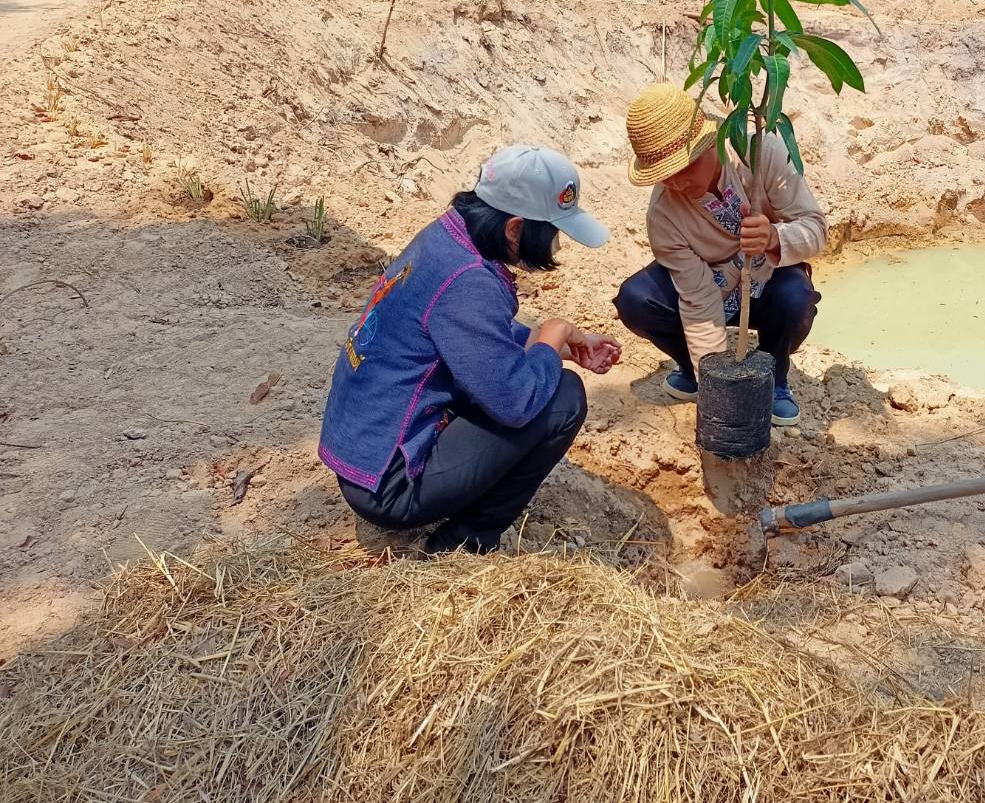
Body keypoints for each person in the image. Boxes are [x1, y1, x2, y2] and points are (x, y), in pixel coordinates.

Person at [318, 146, 622, 555]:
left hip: (362, 452)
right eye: (551, 234)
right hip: (388, 484)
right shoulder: (468, 282)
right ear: (514, 230)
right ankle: (464, 542)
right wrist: (554, 332)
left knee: (545, 376)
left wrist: (559, 347)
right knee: (562, 399)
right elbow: (515, 402)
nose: (555, 247)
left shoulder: (446, 239)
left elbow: (470, 335)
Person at [614, 83, 826, 426]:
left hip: (766, 278)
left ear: (709, 143)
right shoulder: (663, 216)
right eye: (665, 176)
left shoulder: (759, 153)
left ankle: (773, 377)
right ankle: (693, 370)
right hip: (711, 287)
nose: (677, 184)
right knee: (636, 299)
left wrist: (773, 236)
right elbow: (698, 299)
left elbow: (815, 229)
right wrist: (716, 385)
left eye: (684, 168)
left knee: (795, 298)